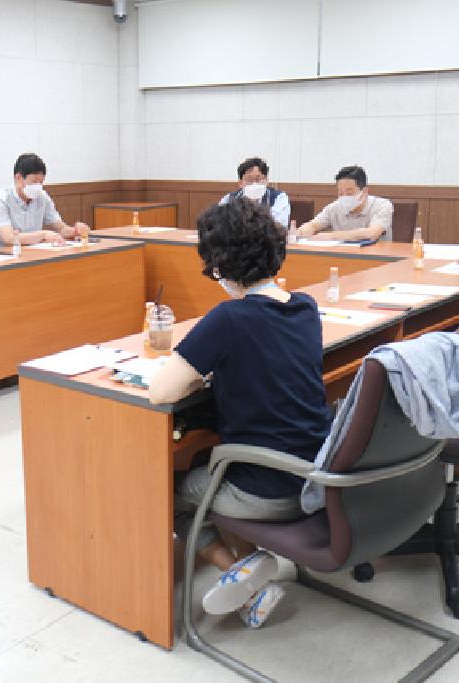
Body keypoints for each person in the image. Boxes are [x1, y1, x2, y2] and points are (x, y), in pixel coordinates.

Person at [149, 200, 331, 629]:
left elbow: (161, 391)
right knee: (216, 461)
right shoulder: (305, 307)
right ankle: (252, 569)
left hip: (266, 490)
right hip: (315, 476)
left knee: (169, 493)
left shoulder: (229, 318)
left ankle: (238, 573)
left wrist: (198, 375)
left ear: (221, 264)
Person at [0, 153, 90, 246]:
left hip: (34, 250)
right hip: (3, 252)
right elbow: (9, 238)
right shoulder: (0, 199)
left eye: (41, 182)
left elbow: (61, 229)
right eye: (34, 182)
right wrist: (43, 235)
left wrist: (76, 231)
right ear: (18, 178)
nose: (38, 186)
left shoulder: (42, 196)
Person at [296, 165, 394, 242]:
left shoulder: (382, 206)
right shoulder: (334, 208)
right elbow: (314, 224)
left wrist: (332, 236)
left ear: (364, 191)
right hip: (342, 256)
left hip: (375, 257)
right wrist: (305, 229)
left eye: (349, 193)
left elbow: (372, 233)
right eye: (340, 193)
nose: (344, 197)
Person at [218, 157, 290, 228]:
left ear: (266, 181)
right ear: (240, 183)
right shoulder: (229, 198)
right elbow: (219, 223)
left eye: (258, 179)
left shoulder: (278, 197)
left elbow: (279, 225)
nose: (254, 183)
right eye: (249, 180)